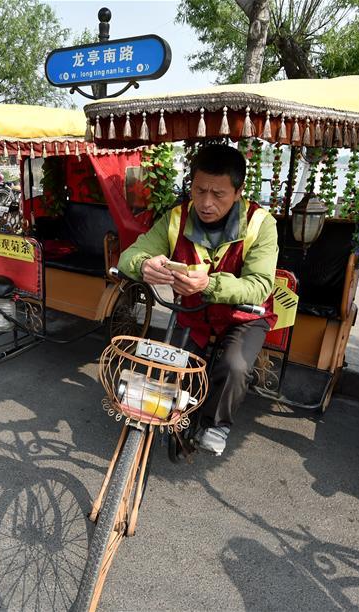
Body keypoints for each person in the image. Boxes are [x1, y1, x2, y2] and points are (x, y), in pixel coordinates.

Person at [118, 144, 279, 455]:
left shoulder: (261, 224)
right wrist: (143, 266)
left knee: (234, 365)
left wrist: (209, 285)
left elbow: (259, 285)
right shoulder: (176, 218)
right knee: (169, 366)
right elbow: (130, 255)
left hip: (243, 315)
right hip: (192, 313)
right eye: (199, 190)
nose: (206, 203)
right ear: (190, 184)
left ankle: (217, 424)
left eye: (218, 194)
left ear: (238, 191)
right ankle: (177, 415)